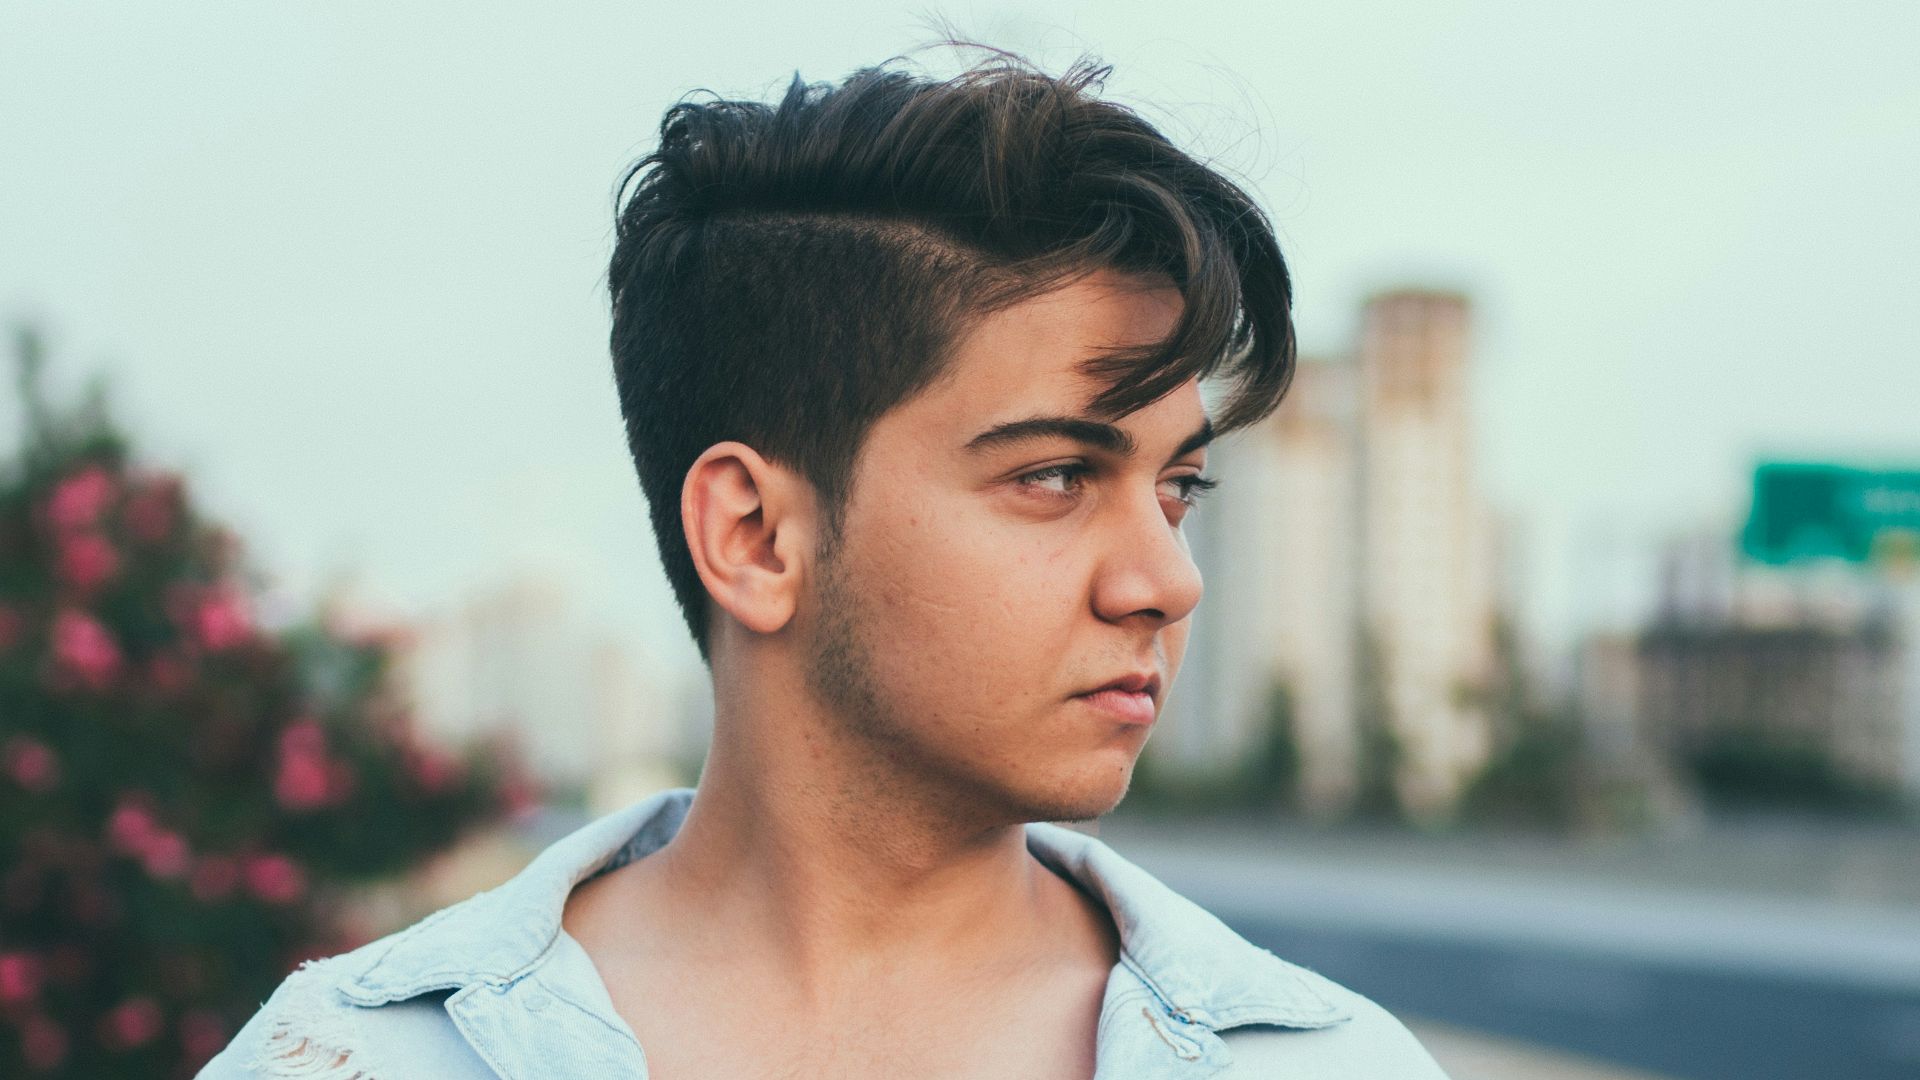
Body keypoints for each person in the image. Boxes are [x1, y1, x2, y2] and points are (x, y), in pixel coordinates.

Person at [199, 51, 1450, 1079]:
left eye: (1177, 489)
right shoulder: (352, 1062)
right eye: (1056, 477)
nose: (1164, 582)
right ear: (753, 537)